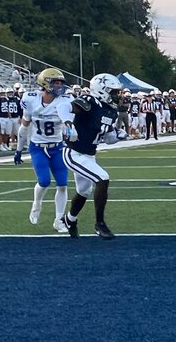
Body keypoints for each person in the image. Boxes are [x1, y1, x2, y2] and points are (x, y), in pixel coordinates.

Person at [60, 73, 126, 240]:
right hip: (73, 153)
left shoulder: (111, 111)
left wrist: (118, 135)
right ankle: (99, 224)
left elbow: (108, 139)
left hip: (89, 154)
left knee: (84, 191)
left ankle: (69, 220)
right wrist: (68, 124)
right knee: (102, 179)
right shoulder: (90, 102)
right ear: (102, 90)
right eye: (113, 92)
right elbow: (62, 107)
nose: (116, 95)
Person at [13, 68, 73, 233]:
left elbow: (70, 125)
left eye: (61, 82)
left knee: (62, 185)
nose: (59, 86)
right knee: (44, 181)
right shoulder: (31, 100)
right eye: (56, 82)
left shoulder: (65, 100)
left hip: (58, 147)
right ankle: (37, 203)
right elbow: (24, 127)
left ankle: (59, 220)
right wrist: (19, 150)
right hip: (38, 147)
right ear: (45, 83)